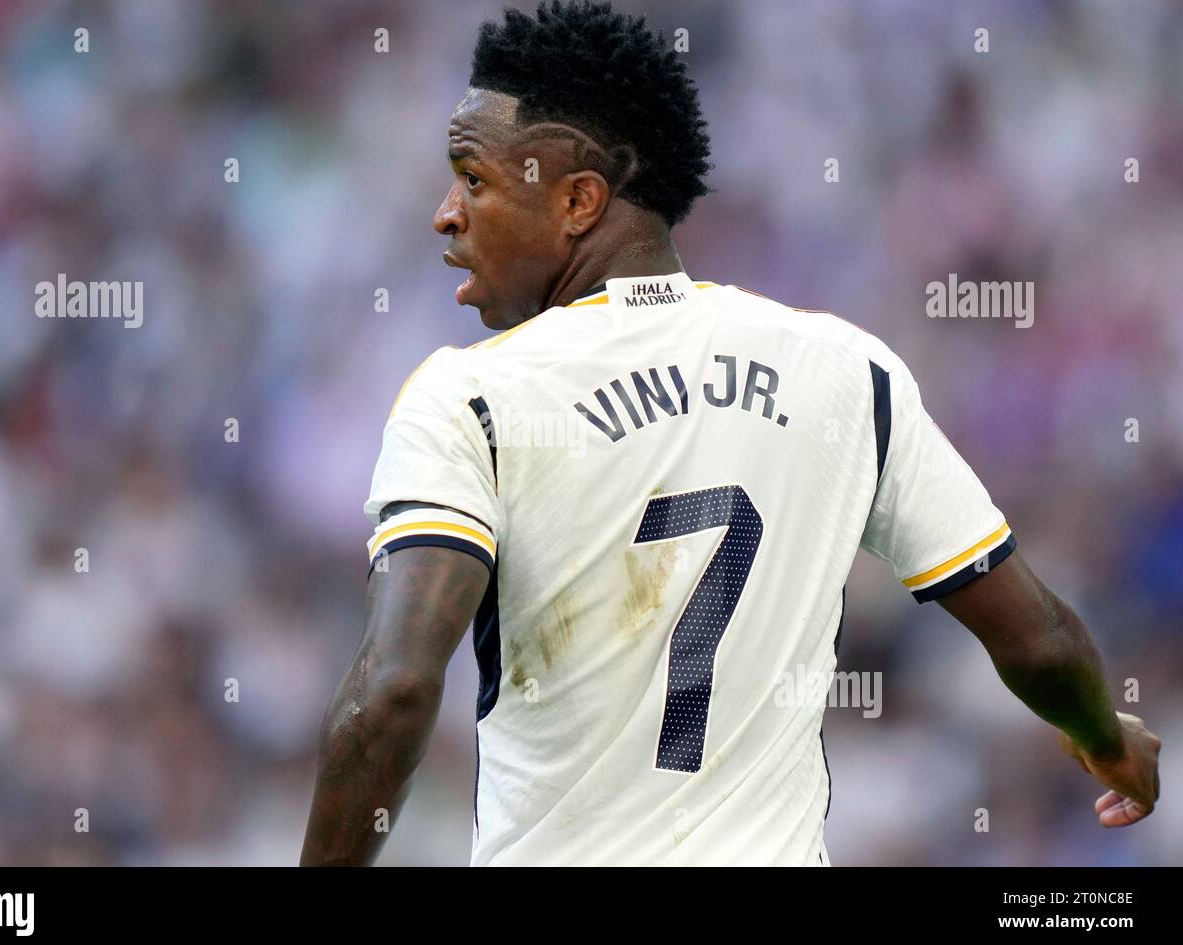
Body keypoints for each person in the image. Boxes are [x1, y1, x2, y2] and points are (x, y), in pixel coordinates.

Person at [300, 0, 1160, 866]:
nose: (445, 213)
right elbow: (1039, 641)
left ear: (577, 200)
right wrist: (1104, 736)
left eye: (473, 179)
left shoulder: (471, 396)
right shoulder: (846, 374)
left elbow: (398, 692)